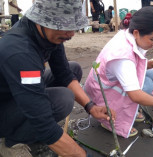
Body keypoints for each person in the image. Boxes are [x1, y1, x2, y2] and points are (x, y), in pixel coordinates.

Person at [0, 0, 115, 157]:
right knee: (63, 99)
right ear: (41, 20)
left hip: (16, 89)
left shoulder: (49, 33)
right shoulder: (21, 51)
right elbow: (43, 123)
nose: (71, 34)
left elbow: (64, 74)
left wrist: (90, 107)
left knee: (73, 68)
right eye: (64, 26)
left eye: (72, 26)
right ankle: (11, 140)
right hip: (4, 105)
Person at [84, 6, 153, 138]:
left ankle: (131, 109)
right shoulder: (122, 56)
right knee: (146, 86)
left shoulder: (128, 35)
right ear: (137, 33)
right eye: (152, 39)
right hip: (102, 94)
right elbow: (135, 95)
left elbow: (136, 66)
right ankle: (110, 121)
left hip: (113, 83)